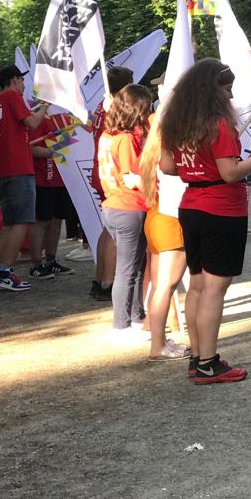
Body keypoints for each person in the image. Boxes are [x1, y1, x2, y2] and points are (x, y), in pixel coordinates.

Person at [159, 59, 251, 384]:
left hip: (191, 205)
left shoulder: (175, 122)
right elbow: (231, 173)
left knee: (197, 286)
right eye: (226, 88)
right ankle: (208, 363)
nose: (230, 95)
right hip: (222, 208)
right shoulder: (219, 125)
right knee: (215, 289)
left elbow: (168, 167)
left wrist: (198, 165)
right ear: (211, 90)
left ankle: (197, 356)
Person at [98, 84, 152, 332]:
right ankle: (121, 322)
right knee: (128, 269)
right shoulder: (126, 139)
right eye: (145, 108)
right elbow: (132, 178)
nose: (147, 113)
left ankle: (136, 314)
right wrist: (157, 186)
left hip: (114, 205)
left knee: (135, 267)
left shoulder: (108, 135)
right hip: (129, 205)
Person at [139, 116, 190, 360]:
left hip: (156, 216)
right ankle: (158, 346)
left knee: (161, 285)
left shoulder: (152, 151)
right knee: (166, 286)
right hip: (170, 220)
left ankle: (158, 340)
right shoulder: (170, 153)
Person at [0, 64, 49, 291]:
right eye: (22, 80)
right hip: (18, 168)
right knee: (21, 221)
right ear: (14, 80)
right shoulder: (12, 96)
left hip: (5, 168)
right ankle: (5, 272)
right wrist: (44, 106)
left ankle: (2, 270)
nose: (24, 84)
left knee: (10, 223)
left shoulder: (1, 99)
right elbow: (32, 122)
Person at [89, 65, 134, 301]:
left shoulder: (102, 105)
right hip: (113, 173)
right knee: (113, 231)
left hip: (102, 170)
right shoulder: (115, 109)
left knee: (107, 228)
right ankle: (108, 281)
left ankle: (100, 278)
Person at [27, 115, 76, 279]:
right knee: (41, 221)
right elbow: (30, 147)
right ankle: (35, 264)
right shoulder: (40, 117)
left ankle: (51, 261)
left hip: (63, 178)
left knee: (57, 221)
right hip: (43, 179)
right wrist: (55, 152)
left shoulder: (67, 116)